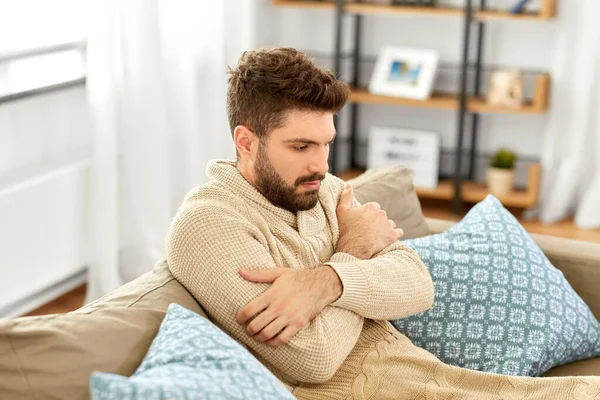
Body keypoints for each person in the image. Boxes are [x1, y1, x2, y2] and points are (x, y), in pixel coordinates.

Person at [166, 47, 600, 399]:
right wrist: (353, 253)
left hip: (436, 379)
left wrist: (329, 282)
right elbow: (313, 358)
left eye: (326, 144)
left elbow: (417, 286)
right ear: (246, 141)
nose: (321, 164)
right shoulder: (209, 225)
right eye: (300, 146)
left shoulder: (327, 191)